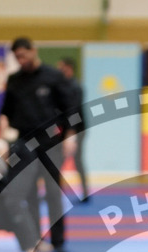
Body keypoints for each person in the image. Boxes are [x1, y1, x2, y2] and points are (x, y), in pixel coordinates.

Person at [0, 37, 77, 252]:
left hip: (51, 141)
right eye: (17, 57)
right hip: (24, 142)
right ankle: (34, 239)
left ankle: (58, 241)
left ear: (34, 51)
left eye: (23, 55)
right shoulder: (14, 80)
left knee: (53, 191)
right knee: (28, 193)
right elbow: (6, 112)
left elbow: (70, 108)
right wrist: (3, 138)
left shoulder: (53, 77)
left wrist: (71, 136)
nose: (21, 60)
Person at [57, 57, 89, 202]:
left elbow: (74, 111)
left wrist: (71, 133)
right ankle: (56, 192)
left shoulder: (75, 87)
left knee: (76, 160)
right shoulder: (61, 86)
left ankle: (85, 193)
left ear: (68, 68)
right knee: (58, 161)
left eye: (61, 67)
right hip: (66, 129)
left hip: (77, 130)